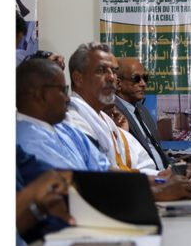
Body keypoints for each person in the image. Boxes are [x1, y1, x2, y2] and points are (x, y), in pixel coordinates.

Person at [64, 43, 157, 172]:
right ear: (78, 78)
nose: (111, 77)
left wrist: (162, 177)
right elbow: (98, 175)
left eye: (114, 71)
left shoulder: (107, 121)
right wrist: (152, 181)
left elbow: (144, 163)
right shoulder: (70, 121)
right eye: (101, 70)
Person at [16, 59, 110, 171]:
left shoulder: (68, 129)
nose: (68, 99)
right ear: (40, 94)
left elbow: (106, 169)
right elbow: (64, 180)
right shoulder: (24, 141)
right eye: (63, 90)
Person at [115, 57, 171, 170]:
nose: (143, 84)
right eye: (136, 79)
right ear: (119, 83)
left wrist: (178, 168)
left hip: (164, 174)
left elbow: (156, 150)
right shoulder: (113, 113)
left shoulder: (141, 109)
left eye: (145, 78)